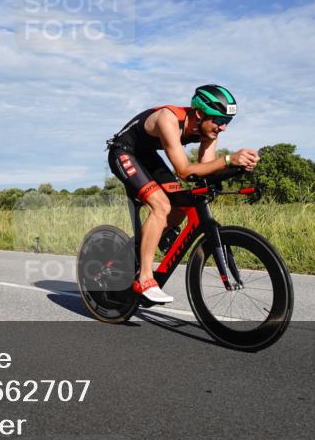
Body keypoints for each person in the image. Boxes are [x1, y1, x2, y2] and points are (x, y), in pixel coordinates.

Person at [106, 84, 259, 304]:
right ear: (199, 114)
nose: (223, 127)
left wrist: (237, 167)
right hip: (123, 152)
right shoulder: (168, 120)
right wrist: (228, 159)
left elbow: (205, 170)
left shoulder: (210, 131)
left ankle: (142, 246)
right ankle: (145, 278)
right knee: (161, 206)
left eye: (228, 122)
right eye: (219, 120)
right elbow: (185, 171)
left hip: (147, 155)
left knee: (181, 204)